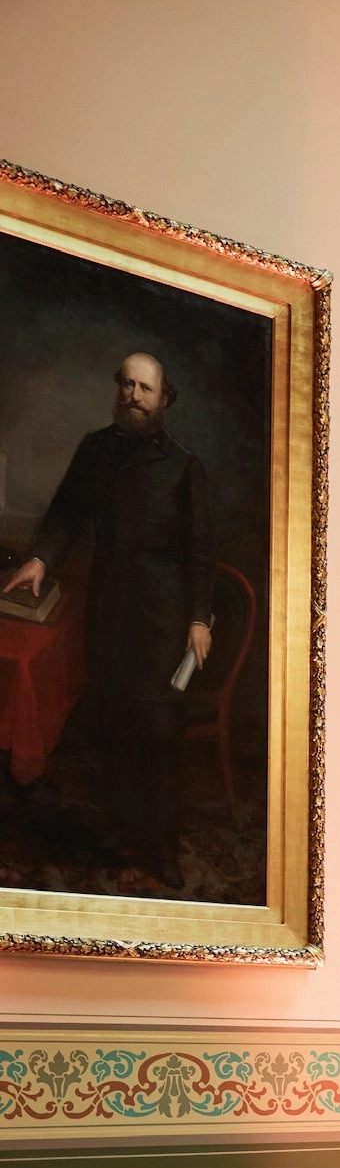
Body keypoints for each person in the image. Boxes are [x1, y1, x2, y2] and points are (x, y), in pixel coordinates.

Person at [1, 352, 213, 888]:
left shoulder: (184, 465)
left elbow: (201, 553)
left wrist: (198, 619)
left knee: (159, 739)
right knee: (114, 731)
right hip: (109, 617)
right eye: (126, 385)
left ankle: (160, 853)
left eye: (144, 388)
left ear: (164, 398)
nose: (132, 396)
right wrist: (42, 557)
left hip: (164, 625)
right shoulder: (96, 449)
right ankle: (121, 836)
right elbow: (67, 512)